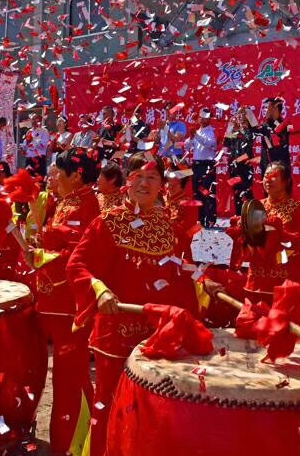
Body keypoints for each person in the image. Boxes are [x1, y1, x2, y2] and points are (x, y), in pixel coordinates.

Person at [66, 152, 202, 456]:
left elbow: (185, 269)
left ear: (162, 185)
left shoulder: (171, 227)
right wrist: (100, 290)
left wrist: (205, 284)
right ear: (128, 182)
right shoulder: (108, 222)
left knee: (152, 412)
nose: (144, 183)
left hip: (157, 338)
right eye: (138, 176)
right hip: (115, 338)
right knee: (111, 408)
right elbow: (77, 265)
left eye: (151, 177)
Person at [29, 149, 101, 454]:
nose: (52, 177)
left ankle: (74, 444)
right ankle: (68, 440)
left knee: (70, 374)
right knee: (61, 372)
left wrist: (47, 247)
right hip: (54, 299)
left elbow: (84, 255)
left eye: (58, 172)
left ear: (77, 175)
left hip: (70, 303)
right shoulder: (66, 201)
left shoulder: (88, 203)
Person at [221, 162, 300, 304]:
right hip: (257, 278)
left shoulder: (299, 208)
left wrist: (280, 233)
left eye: (274, 176)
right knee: (252, 322)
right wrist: (240, 233)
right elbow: (249, 245)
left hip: (286, 276)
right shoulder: (256, 206)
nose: (268, 180)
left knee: (282, 323)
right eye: (265, 176)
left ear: (286, 181)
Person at [224, 108, 256, 216]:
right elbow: (226, 143)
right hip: (234, 166)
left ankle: (253, 217)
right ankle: (238, 218)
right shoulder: (234, 130)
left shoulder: (250, 131)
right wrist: (230, 127)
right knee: (237, 192)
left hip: (246, 166)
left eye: (243, 114)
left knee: (247, 191)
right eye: (239, 114)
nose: (241, 116)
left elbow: (248, 144)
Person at [189, 108, 218, 228]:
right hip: (196, 165)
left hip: (208, 165)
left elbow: (210, 144)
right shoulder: (198, 131)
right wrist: (191, 138)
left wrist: (196, 135)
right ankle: (200, 219)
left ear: (209, 118)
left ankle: (210, 219)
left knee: (208, 192)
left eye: (205, 117)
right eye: (201, 117)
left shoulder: (212, 131)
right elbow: (188, 147)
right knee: (197, 193)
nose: (202, 119)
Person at [164, 165, 200, 261]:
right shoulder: (161, 198)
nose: (166, 175)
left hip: (179, 250)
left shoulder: (189, 203)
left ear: (180, 178)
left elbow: (191, 230)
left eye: (170, 174)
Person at [250, 97, 290, 176]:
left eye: (268, 108)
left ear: (275, 109)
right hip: (266, 165)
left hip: (279, 166)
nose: (265, 110)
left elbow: (277, 144)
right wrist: (248, 114)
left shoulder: (284, 125)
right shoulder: (266, 124)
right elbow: (254, 130)